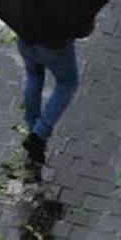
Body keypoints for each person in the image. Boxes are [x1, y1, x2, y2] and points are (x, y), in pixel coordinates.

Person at [17, 33, 80, 166]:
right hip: (54, 46)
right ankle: (39, 133)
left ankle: (32, 126)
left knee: (34, 75)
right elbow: (82, 29)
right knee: (67, 84)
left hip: (26, 38)